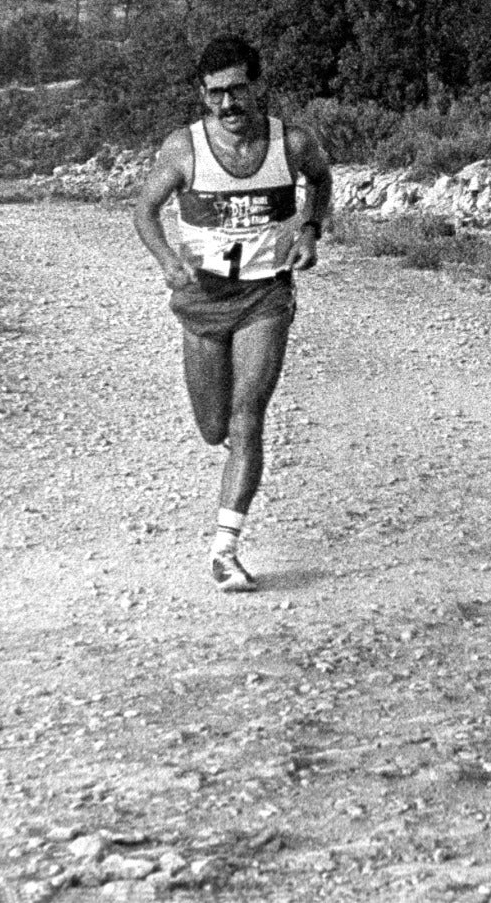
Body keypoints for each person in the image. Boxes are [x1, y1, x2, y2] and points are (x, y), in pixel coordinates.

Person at [133, 34, 333, 593]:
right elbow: (145, 210)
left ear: (259, 86)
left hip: (265, 296)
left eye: (238, 91)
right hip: (203, 301)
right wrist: (168, 260)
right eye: (216, 95)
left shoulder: (291, 143)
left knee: (248, 418)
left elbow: (320, 180)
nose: (229, 106)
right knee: (214, 425)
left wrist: (311, 230)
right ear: (203, 97)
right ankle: (230, 468)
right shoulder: (184, 149)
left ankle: (225, 549)